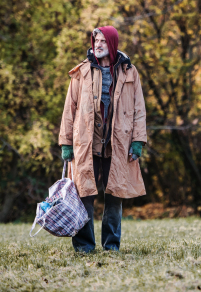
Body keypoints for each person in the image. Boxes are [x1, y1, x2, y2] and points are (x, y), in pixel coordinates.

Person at [58, 25, 147, 252]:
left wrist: (138, 141)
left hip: (118, 144)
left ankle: (111, 245)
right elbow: (70, 108)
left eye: (102, 41)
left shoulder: (129, 72)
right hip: (86, 144)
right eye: (95, 41)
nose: (97, 45)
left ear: (112, 44)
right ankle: (84, 246)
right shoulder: (83, 71)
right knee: (83, 195)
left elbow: (139, 109)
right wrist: (66, 143)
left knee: (115, 196)